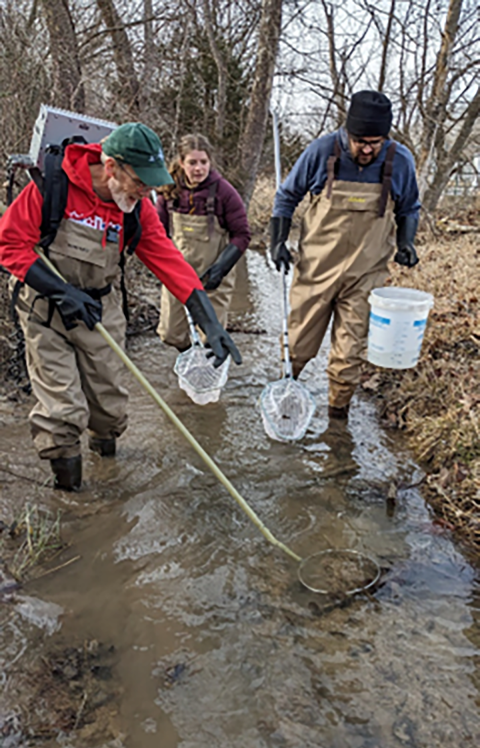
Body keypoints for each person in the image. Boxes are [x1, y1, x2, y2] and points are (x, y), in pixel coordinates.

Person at [0, 122, 241, 491]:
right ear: (111, 167)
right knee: (62, 412)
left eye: (150, 184)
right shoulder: (52, 186)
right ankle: (79, 508)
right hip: (44, 308)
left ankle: (107, 474)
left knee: (109, 409)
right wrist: (62, 292)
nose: (145, 192)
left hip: (100, 308)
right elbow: (9, 245)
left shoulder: (135, 209)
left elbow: (169, 261)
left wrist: (209, 321)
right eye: (139, 182)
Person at [270, 90, 420, 420]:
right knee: (297, 345)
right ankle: (285, 398)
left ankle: (338, 425)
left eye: (375, 142)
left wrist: (407, 243)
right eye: (360, 141)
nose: (367, 149)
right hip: (316, 270)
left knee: (348, 355)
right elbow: (286, 197)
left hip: (366, 276)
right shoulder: (321, 151)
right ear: (346, 132)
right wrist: (277, 241)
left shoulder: (400, 160)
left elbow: (409, 207)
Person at [156, 134, 250, 351]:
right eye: (192, 163)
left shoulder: (225, 193)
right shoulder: (168, 192)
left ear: (210, 162)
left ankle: (209, 371)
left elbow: (242, 235)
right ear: (181, 163)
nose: (198, 168)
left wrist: (220, 269)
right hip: (178, 274)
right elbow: (157, 233)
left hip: (213, 276)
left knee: (211, 339)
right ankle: (188, 356)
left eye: (203, 162)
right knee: (170, 334)